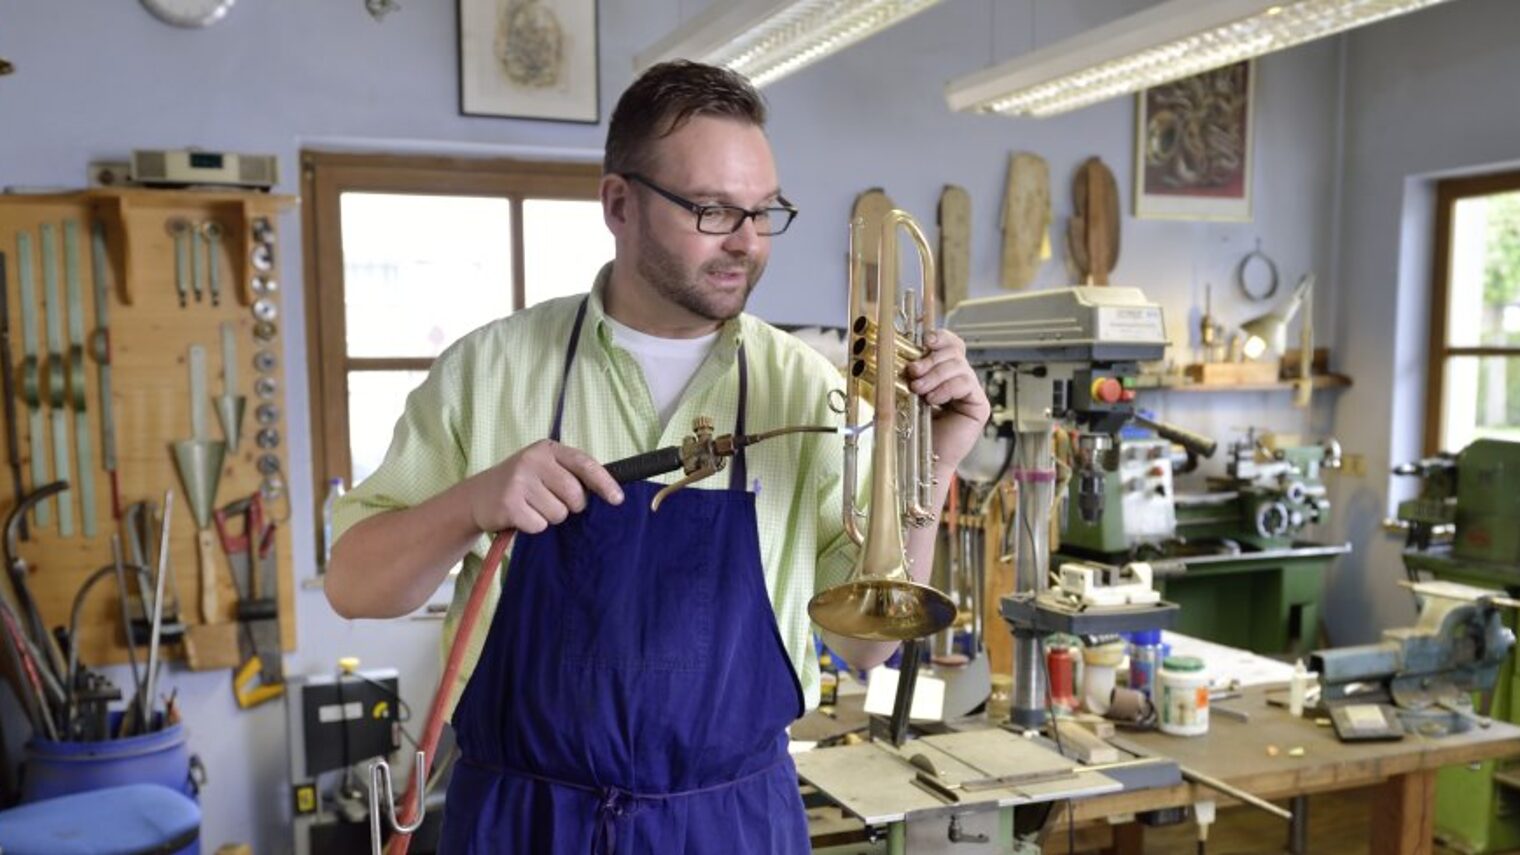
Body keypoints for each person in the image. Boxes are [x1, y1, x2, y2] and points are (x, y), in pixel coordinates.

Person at [326, 60, 990, 854]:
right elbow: (354, 583)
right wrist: (470, 502)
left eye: (764, 212)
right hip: (527, 821)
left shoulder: (809, 393)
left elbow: (867, 640)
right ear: (619, 203)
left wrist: (938, 457)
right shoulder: (490, 371)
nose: (747, 243)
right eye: (714, 211)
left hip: (732, 823)